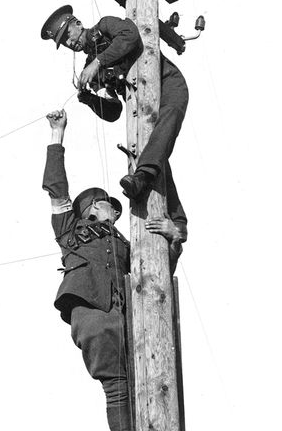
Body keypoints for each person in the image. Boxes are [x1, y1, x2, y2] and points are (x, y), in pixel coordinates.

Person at [42, 109, 184, 431]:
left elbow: (153, 272)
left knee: (147, 381)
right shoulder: (70, 230)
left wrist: (173, 241)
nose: (116, 213)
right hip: (92, 313)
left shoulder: (125, 243)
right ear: (93, 207)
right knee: (118, 388)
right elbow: (56, 188)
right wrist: (57, 135)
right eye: (110, 205)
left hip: (127, 316)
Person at [41, 7, 189, 230]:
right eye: (64, 43)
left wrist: (98, 63)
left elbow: (130, 35)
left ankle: (140, 179)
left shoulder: (105, 27)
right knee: (155, 152)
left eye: (68, 36)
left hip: (167, 83)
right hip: (139, 107)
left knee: (161, 134)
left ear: (78, 24)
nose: (69, 44)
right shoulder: (90, 65)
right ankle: (178, 224)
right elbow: (113, 111)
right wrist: (88, 98)